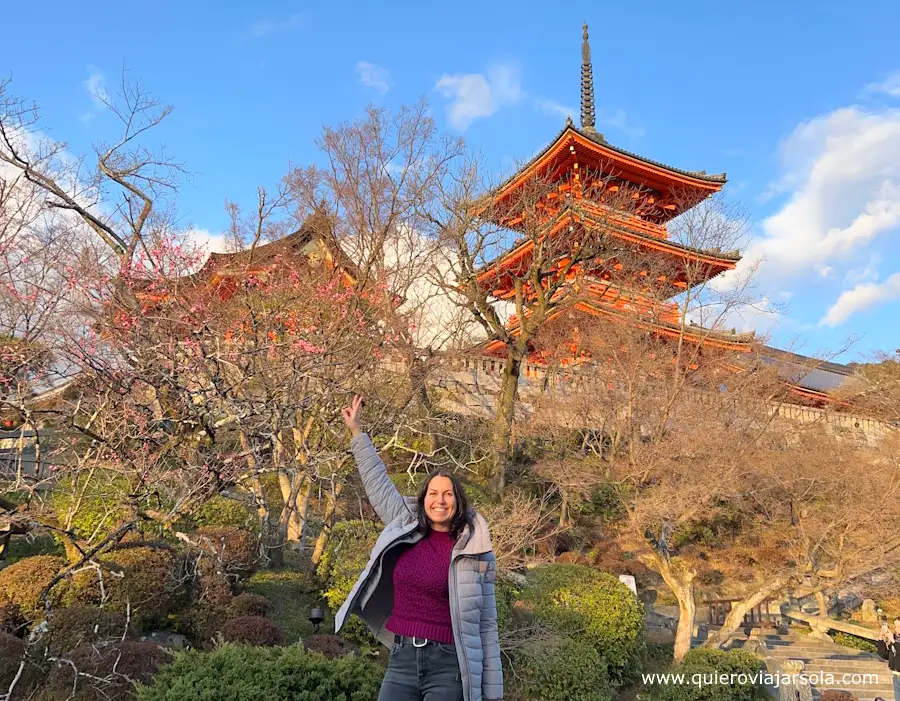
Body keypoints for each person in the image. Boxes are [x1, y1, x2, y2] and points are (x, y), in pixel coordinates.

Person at [335, 395, 503, 701]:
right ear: (423, 499)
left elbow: (487, 625)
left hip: (449, 666)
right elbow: (378, 484)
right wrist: (357, 433)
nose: (440, 500)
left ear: (458, 501)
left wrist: (492, 694)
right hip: (402, 659)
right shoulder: (405, 525)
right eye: (433, 493)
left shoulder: (476, 550)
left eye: (448, 494)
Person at [876, 616, 900, 699]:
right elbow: (885, 655)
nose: (897, 629)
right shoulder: (895, 640)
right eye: (895, 626)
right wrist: (881, 639)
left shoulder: (895, 641)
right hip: (896, 676)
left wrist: (893, 641)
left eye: (899, 627)